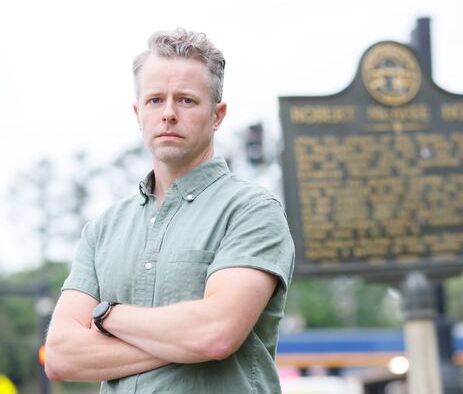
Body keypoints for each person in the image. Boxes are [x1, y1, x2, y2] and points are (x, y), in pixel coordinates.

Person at [44, 27, 295, 393]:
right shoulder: (103, 229)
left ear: (218, 114)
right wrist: (182, 342)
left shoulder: (252, 212)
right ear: (138, 112)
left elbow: (215, 335)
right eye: (155, 100)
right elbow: (62, 356)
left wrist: (107, 315)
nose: (169, 114)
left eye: (187, 100)